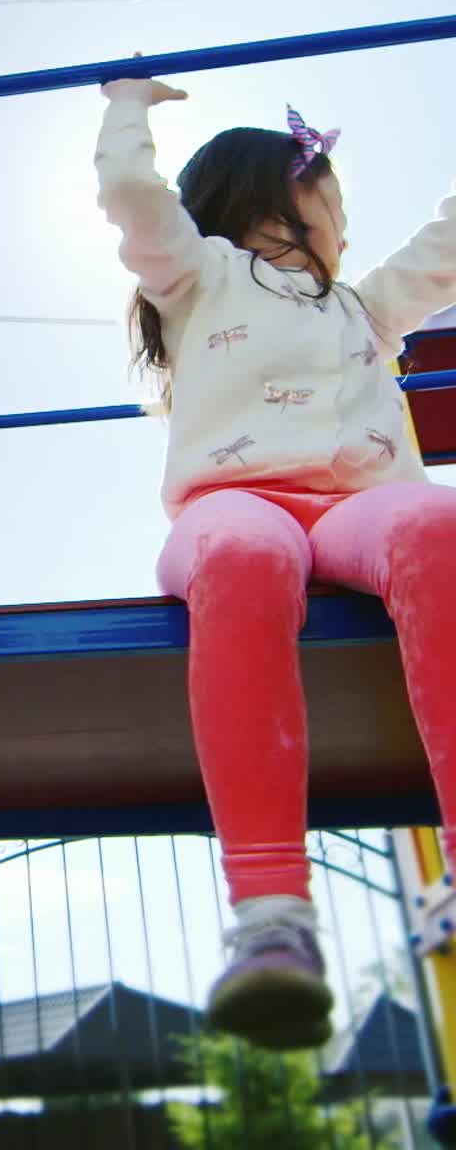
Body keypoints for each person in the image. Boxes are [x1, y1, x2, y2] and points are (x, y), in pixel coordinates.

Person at [96, 76, 456, 1049]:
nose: (342, 224)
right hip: (235, 501)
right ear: (272, 204)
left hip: (354, 508)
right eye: (330, 204)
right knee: (244, 557)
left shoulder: (359, 310)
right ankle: (269, 915)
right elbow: (133, 197)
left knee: (436, 525)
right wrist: (125, 104)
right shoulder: (196, 272)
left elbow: (444, 248)